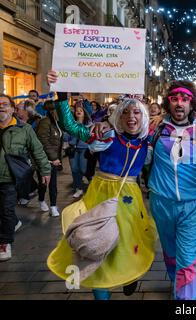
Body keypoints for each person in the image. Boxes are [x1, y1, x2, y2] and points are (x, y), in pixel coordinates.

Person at [46, 70, 157, 300]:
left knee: (129, 242)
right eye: (125, 112)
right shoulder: (106, 136)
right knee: (97, 244)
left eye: (136, 111)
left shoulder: (148, 138)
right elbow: (70, 125)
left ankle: (130, 275)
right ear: (118, 116)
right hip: (100, 194)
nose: (131, 117)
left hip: (130, 197)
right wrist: (62, 93)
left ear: (143, 115)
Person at [146, 81, 196, 300]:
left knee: (186, 261)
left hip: (191, 205)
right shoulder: (156, 129)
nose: (179, 103)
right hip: (160, 203)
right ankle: (177, 286)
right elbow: (138, 152)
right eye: (174, 99)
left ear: (192, 103)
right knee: (171, 255)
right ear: (168, 103)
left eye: (184, 99)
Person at [0, 94, 51, 261]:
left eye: (5, 104)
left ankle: (5, 243)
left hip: (10, 177)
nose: (1, 107)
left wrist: (45, 170)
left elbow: (37, 150)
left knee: (6, 209)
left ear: (13, 109)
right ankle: (13, 223)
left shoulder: (24, 129)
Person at [36, 100, 64, 217]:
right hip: (44, 158)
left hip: (54, 158)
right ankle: (41, 200)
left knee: (53, 183)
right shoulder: (45, 122)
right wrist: (53, 158)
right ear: (53, 110)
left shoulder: (56, 122)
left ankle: (53, 206)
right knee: (43, 183)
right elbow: (43, 141)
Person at [65, 103, 92, 198]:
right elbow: (65, 137)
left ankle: (91, 180)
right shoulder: (71, 124)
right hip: (73, 149)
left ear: (84, 113)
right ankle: (78, 188)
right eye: (77, 111)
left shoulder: (89, 125)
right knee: (74, 169)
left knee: (83, 169)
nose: (79, 112)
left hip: (84, 149)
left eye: (81, 110)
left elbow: (90, 137)